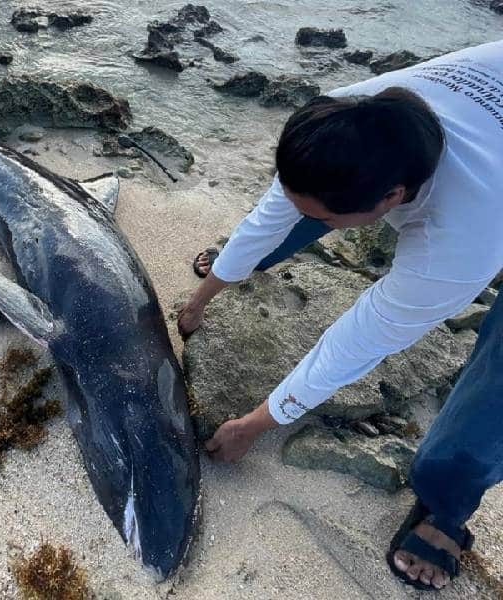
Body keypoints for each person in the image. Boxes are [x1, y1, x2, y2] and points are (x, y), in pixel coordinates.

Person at [178, 40, 503, 592]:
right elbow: (270, 212)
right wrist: (203, 297)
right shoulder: (347, 113)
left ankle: (445, 508)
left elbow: (354, 344)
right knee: (304, 202)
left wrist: (257, 423)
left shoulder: (459, 240)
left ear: (393, 198)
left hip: (486, 206)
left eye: (322, 216)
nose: (297, 207)